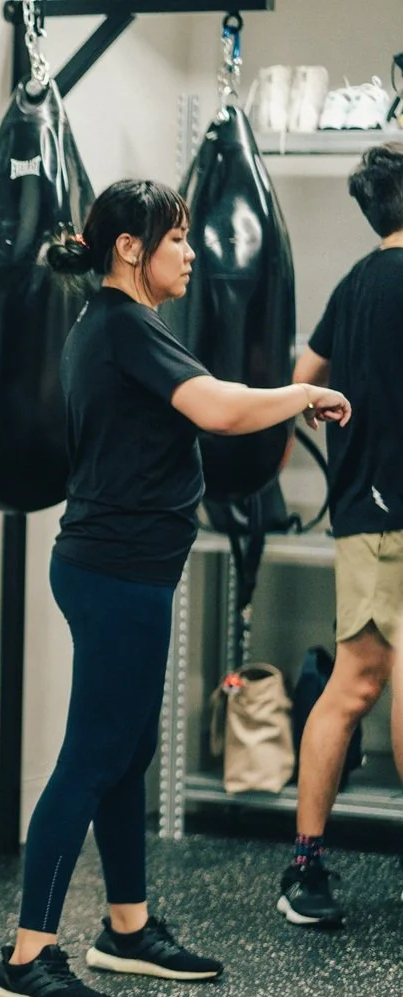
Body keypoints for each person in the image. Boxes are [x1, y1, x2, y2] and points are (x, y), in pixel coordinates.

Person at [0, 178, 351, 997]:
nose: (192, 252)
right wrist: (305, 391)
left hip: (125, 567)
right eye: (178, 239)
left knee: (125, 755)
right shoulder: (121, 325)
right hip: (114, 571)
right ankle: (25, 957)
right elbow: (218, 409)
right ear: (129, 248)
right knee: (91, 757)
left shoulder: (123, 327)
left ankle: (128, 928)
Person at [282, 140, 403, 929]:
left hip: (364, 511)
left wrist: (334, 430)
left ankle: (305, 868)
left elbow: (299, 380)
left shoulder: (356, 282)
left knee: (355, 684)